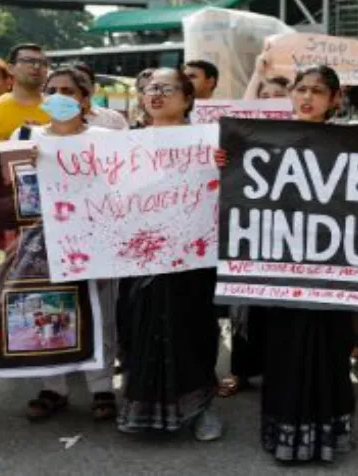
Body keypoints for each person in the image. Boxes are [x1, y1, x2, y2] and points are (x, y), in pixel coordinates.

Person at [215, 65, 358, 463]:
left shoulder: (356, 142)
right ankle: (285, 433)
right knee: (284, 353)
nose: (307, 97)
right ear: (291, 94)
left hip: (331, 274)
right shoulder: (264, 141)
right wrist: (227, 161)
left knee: (329, 352)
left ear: (335, 99)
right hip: (281, 274)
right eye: (301, 89)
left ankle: (325, 435)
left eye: (317, 91)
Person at [116, 68, 223, 441]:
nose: (155, 94)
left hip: (193, 256)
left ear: (188, 98)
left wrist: (226, 165)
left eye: (166, 88)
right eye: (149, 88)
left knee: (193, 328)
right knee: (141, 328)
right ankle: (143, 409)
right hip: (140, 257)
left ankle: (202, 408)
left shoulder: (209, 142)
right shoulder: (122, 144)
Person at [12, 67, 118, 422]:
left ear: (86, 99)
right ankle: (52, 387)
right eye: (52, 89)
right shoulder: (25, 135)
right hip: (39, 242)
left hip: (93, 237)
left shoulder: (106, 138)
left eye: (69, 91)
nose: (59, 96)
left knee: (98, 311)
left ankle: (102, 387)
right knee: (47, 310)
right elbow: (4, 184)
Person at [218, 65, 290, 399]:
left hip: (291, 234)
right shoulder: (242, 138)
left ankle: (278, 369)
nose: (272, 103)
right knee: (246, 306)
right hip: (249, 232)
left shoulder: (306, 136)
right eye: (265, 98)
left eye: (279, 97)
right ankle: (242, 371)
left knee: (281, 309)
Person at [0, 43, 50, 141]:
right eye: (28, 61)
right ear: (10, 68)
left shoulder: (61, 108)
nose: (37, 66)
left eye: (43, 62)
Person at [71, 62, 129, 130]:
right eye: (72, 83)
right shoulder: (56, 122)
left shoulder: (114, 119)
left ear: (93, 88)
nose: (78, 88)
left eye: (82, 81)